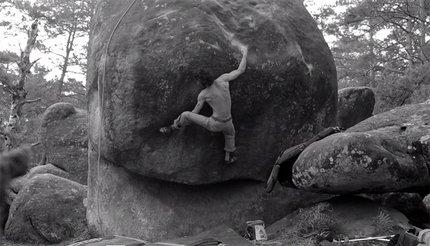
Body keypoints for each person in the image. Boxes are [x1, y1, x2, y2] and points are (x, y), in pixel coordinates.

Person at [159, 45, 248, 164]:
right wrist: (245, 53)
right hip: (229, 121)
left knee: (185, 115)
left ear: (201, 82)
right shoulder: (223, 80)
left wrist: (183, 121)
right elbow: (240, 70)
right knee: (230, 135)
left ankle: (173, 127)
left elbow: (195, 113)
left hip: (215, 124)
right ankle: (228, 158)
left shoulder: (204, 94)